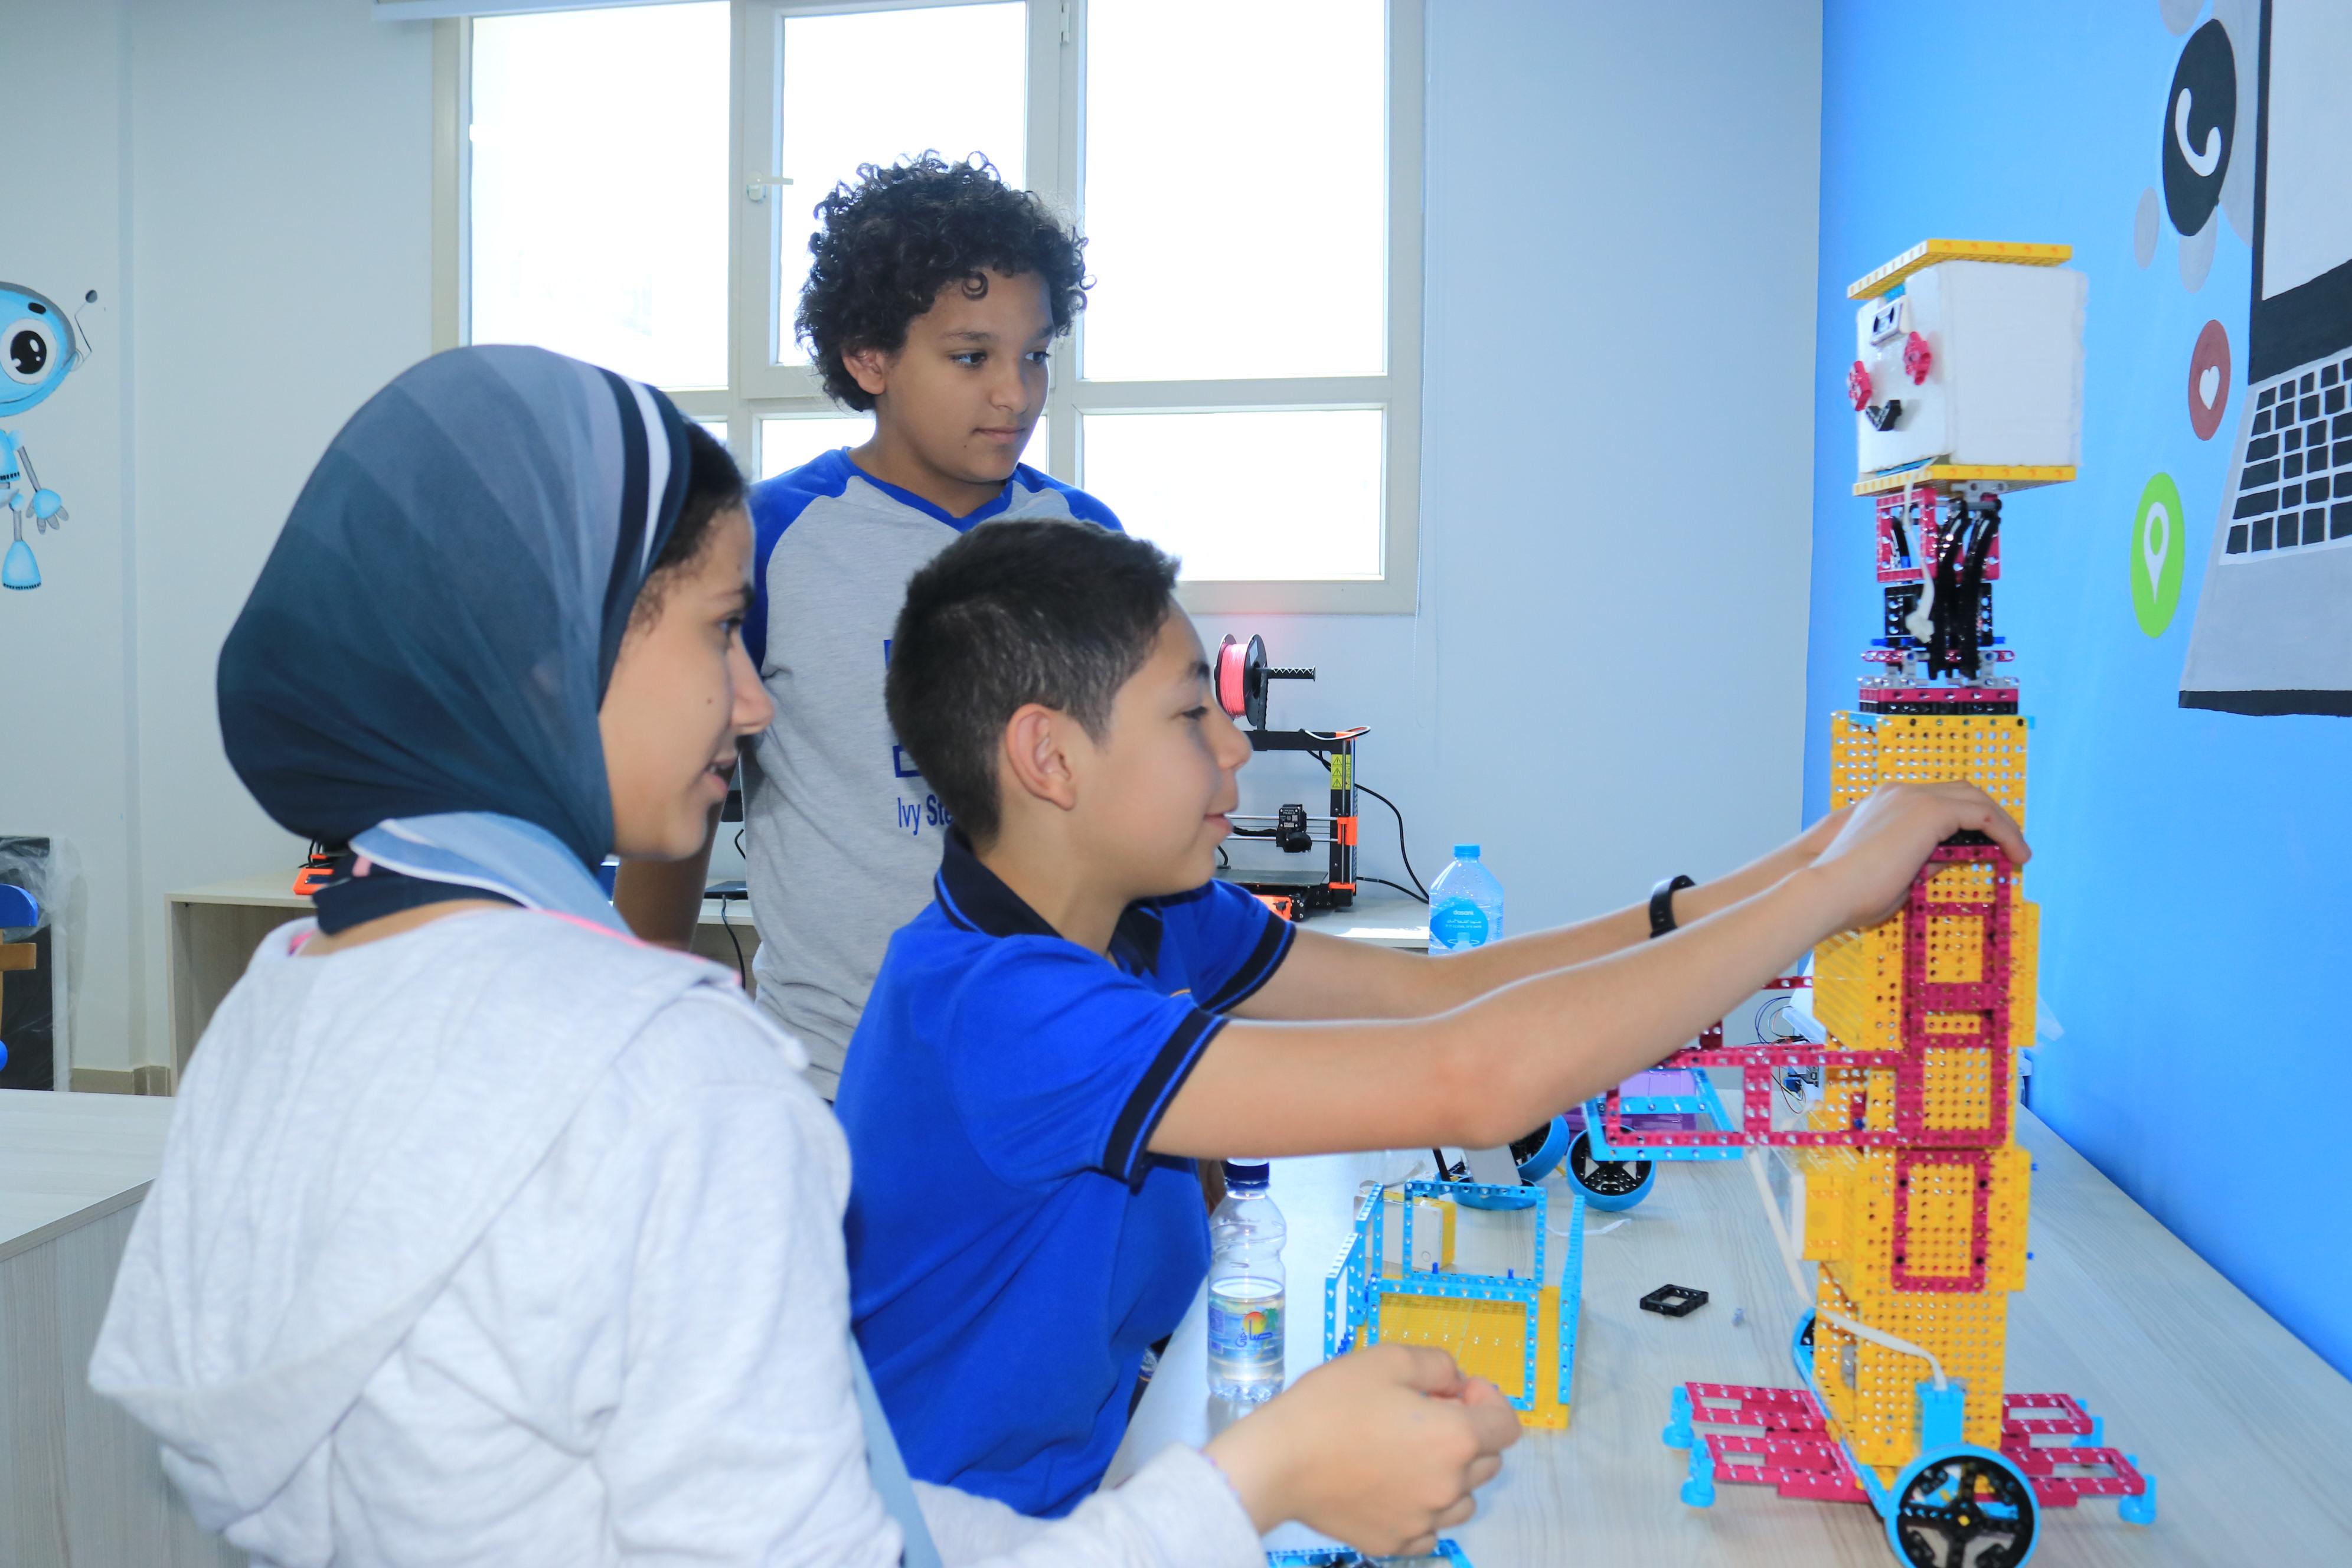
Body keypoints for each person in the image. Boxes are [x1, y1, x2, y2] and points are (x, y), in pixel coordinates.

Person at [86, 348, 1517, 1568]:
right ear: (549, 658)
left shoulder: (285, 999)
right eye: (721, 630)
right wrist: (1257, 1477)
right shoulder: (663, 1072)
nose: (759, 700)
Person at [838, 518, 2036, 1517]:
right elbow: (1474, 1077)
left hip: (1107, 1460)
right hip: (969, 1532)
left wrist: (1797, 869)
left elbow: (1440, 991)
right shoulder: (998, 1014)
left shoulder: (1148, 913)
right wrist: (1827, 897)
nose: (1237, 741)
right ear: (1049, 757)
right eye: (1189, 714)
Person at [616, 153, 1114, 1100]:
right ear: (869, 356)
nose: (1017, 393)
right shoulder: (764, 541)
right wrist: (629, 1019)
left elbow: (1136, 819)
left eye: (1037, 353)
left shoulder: (1085, 539)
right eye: (972, 357)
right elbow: (672, 809)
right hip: (836, 1087)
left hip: (1062, 1072)